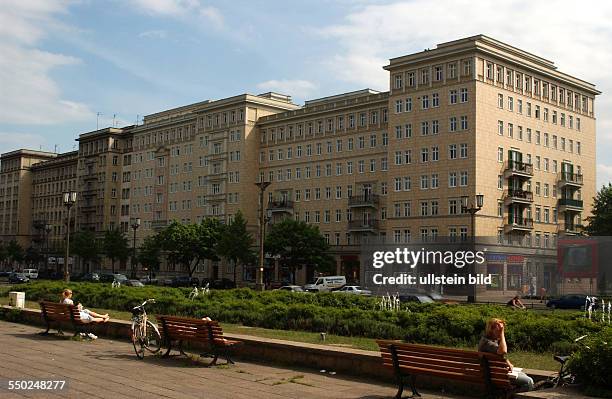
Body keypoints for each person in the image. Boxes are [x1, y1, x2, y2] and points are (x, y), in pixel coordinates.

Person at [478, 318, 534, 391]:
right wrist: (502, 334)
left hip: (493, 372)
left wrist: (507, 362)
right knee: (529, 382)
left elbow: (497, 356)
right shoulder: (488, 343)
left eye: (501, 329)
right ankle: (512, 395)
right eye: (499, 330)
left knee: (524, 375)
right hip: (496, 375)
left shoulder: (486, 340)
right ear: (491, 329)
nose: (500, 331)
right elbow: (503, 351)